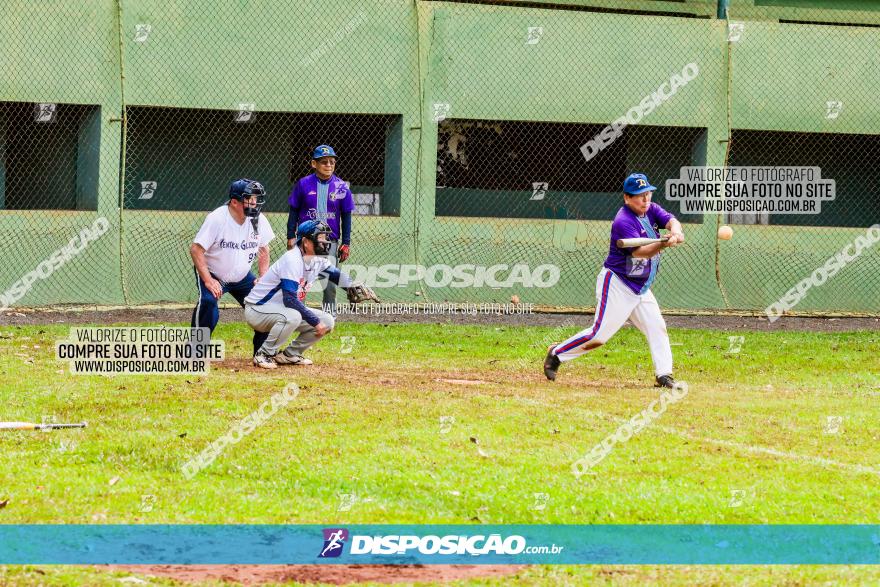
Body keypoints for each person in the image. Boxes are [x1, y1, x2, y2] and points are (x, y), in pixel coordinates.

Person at [543, 173, 685, 388]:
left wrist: (676, 231)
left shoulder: (651, 209)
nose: (645, 199)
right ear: (627, 198)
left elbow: (671, 220)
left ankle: (664, 374)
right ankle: (557, 353)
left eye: (647, 193)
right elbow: (641, 252)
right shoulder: (623, 220)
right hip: (619, 284)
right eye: (639, 196)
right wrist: (664, 244)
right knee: (598, 335)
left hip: (641, 287)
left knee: (657, 327)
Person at [245, 220, 354, 369]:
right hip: (258, 309)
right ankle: (263, 354)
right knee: (294, 315)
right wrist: (315, 321)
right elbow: (290, 299)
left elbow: (336, 276)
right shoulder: (292, 259)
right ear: (306, 242)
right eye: (320, 238)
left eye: (325, 238)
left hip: (281, 310)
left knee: (327, 321)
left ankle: (289, 355)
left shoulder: (317, 259)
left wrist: (352, 286)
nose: (325, 242)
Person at [190, 178, 274, 355]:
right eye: (249, 199)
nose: (254, 203)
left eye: (255, 198)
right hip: (214, 274)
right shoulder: (217, 218)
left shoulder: (258, 219)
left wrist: (263, 277)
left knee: (265, 305)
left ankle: (262, 353)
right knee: (208, 302)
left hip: (242, 276)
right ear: (234, 202)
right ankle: (196, 350)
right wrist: (208, 281)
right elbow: (196, 249)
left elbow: (264, 249)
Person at [286, 145, 354, 316]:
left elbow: (346, 216)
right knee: (300, 278)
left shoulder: (341, 187)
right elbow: (293, 211)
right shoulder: (303, 184)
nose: (329, 165)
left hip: (329, 241)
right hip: (306, 241)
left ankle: (330, 316)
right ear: (314, 164)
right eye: (324, 162)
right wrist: (290, 236)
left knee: (330, 282)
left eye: (332, 162)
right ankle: (298, 313)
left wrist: (346, 242)